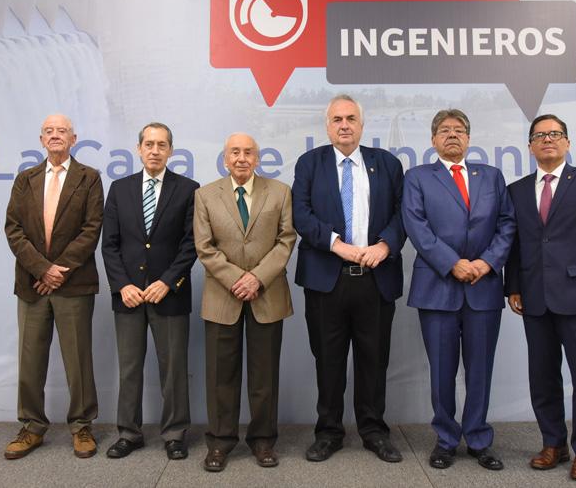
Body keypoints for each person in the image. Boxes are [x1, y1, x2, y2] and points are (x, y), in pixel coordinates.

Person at [505, 114, 576, 482]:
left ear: (567, 142)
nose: (547, 139)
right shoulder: (517, 190)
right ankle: (553, 443)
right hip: (534, 298)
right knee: (542, 376)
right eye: (540, 135)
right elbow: (515, 244)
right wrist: (513, 286)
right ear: (530, 146)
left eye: (555, 134)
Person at [292, 94, 406, 464]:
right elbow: (301, 214)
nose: (344, 125)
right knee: (328, 360)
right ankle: (328, 433)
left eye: (351, 118)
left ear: (361, 124)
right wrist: (337, 245)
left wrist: (385, 246)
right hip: (327, 279)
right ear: (327, 126)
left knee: (374, 360)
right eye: (337, 119)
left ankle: (374, 432)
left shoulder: (386, 163)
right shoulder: (310, 163)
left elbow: (403, 213)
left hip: (375, 277)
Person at [402, 109, 515, 471]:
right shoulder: (417, 177)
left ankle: (479, 438)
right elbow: (416, 226)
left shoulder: (491, 176)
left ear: (468, 138)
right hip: (438, 287)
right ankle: (446, 439)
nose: (452, 135)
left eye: (459, 130)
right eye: (445, 130)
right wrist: (452, 263)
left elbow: (507, 224)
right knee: (442, 371)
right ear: (433, 139)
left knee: (480, 369)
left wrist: (486, 263)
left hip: (483, 286)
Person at [194, 133, 295, 472]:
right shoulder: (205, 195)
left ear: (257, 158)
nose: (241, 158)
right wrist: (238, 279)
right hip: (222, 296)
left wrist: (257, 278)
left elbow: (286, 240)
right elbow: (204, 246)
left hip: (267, 294)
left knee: (264, 377)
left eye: (248, 152)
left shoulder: (279, 192)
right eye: (235, 152)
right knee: (220, 377)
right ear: (225, 159)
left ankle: (263, 441)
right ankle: (220, 443)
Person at [4, 114, 103, 459]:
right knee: (30, 360)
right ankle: (32, 427)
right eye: (49, 131)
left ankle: (82, 426)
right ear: (41, 139)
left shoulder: (89, 178)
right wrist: (43, 269)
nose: (55, 135)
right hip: (32, 284)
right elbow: (13, 229)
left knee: (78, 360)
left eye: (62, 131)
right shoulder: (25, 179)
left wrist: (58, 271)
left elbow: (91, 229)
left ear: (73, 139)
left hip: (73, 284)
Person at [101, 122, 198, 460]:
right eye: (149, 144)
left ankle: (174, 434)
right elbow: (109, 244)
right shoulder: (120, 189)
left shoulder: (188, 189)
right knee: (129, 369)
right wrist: (122, 285)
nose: (155, 150)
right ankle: (129, 434)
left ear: (171, 150)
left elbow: (191, 244)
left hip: (169, 295)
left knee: (173, 369)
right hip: (128, 296)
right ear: (139, 148)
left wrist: (168, 281)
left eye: (162, 145)